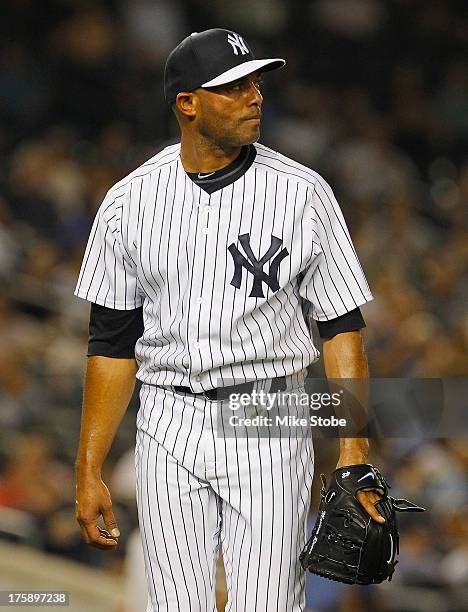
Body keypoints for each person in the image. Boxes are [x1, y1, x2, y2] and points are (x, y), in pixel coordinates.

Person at [74, 28, 384, 612]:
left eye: (256, 83)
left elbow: (341, 325)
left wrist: (354, 453)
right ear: (186, 103)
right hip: (167, 415)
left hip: (270, 413)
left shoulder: (302, 193)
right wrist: (89, 467)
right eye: (234, 86)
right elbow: (111, 343)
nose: (255, 96)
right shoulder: (128, 202)